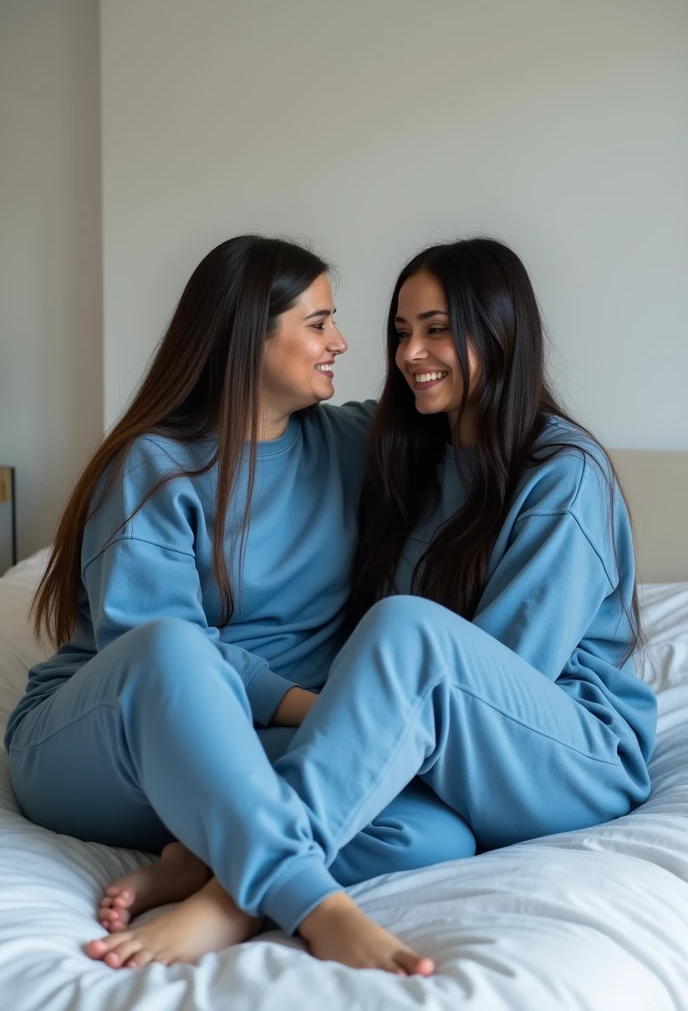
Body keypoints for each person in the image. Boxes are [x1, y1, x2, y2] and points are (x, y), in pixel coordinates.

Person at [84, 236, 658, 971]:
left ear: (501, 330)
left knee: (407, 633)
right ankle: (212, 851)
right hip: (459, 750)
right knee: (428, 836)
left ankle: (228, 894)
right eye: (402, 331)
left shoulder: (564, 473)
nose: (411, 352)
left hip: (567, 751)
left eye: (438, 328)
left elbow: (498, 675)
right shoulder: (407, 457)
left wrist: (366, 724)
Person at [6, 236, 478, 976]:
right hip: (108, 744)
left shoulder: (356, 444)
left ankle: (208, 866)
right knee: (173, 648)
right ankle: (317, 909)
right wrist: (308, 708)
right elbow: (154, 648)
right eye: (318, 323)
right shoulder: (155, 465)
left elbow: (486, 431)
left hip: (238, 752)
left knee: (434, 827)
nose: (342, 343)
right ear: (245, 337)